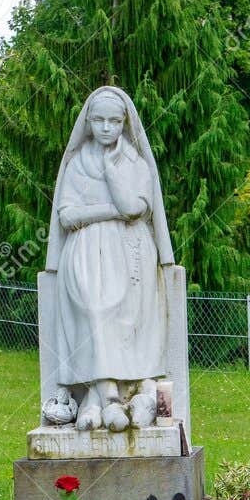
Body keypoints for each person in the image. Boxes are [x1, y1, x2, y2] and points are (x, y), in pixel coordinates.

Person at [43, 86, 174, 432]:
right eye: (99, 120)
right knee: (93, 309)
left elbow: (136, 208)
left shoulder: (135, 161)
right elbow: (68, 215)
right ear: (87, 122)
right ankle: (108, 398)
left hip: (130, 254)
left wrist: (112, 170)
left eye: (114, 121)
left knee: (126, 317)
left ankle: (105, 399)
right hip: (84, 253)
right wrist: (111, 212)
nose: (106, 128)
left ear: (124, 123)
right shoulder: (76, 163)